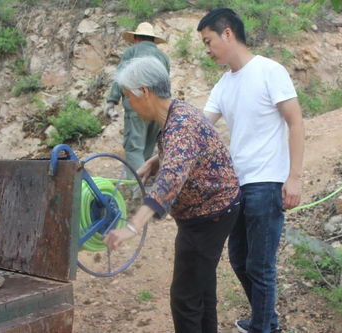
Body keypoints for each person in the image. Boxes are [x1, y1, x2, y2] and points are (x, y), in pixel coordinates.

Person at [104, 56, 241, 333]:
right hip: (213, 211)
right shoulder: (178, 114)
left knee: (185, 299)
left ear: (145, 92)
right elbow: (183, 155)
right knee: (200, 291)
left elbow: (169, 181)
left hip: (208, 216)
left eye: (129, 96)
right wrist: (156, 159)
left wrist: (132, 227)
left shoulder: (181, 126)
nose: (128, 104)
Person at [197, 8, 305, 333]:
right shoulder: (223, 84)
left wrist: (294, 177)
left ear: (227, 33)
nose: (207, 49)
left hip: (267, 184)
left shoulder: (269, 71)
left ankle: (262, 328)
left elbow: (296, 121)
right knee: (239, 260)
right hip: (236, 186)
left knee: (260, 266)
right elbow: (201, 128)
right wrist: (167, 153)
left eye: (208, 41)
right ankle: (267, 321)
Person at [104, 22, 170, 175]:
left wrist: (111, 101)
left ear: (136, 38)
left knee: (134, 148)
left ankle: (138, 190)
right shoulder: (163, 57)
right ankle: (140, 184)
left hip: (137, 105)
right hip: (158, 107)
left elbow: (120, 78)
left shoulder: (131, 52)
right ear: (153, 40)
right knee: (147, 148)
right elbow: (165, 83)